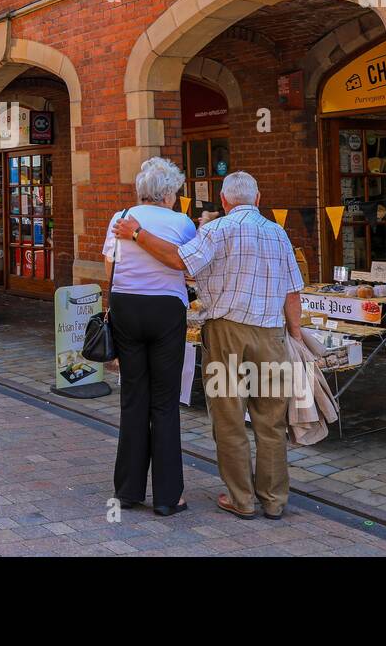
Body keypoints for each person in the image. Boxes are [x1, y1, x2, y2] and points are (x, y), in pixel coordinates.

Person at [113, 171, 305, 521]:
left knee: (229, 418)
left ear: (224, 200)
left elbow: (180, 262)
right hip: (271, 334)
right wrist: (295, 332)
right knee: (272, 420)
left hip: (224, 333)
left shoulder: (216, 230)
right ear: (258, 199)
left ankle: (241, 499)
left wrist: (138, 234)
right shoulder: (279, 233)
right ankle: (274, 499)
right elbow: (293, 292)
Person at [101, 158, 196, 517]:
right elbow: (186, 264)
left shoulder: (120, 216)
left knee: (133, 396)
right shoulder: (181, 222)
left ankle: (127, 490)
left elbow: (110, 266)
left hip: (127, 306)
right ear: (169, 192)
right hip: (165, 309)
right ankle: (169, 496)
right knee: (165, 401)